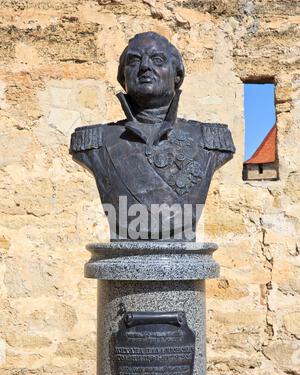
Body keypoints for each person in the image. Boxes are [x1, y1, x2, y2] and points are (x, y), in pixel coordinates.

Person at [70, 32, 235, 240]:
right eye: (134, 60)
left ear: (177, 76)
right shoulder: (94, 143)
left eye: (157, 60)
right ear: (123, 78)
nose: (145, 67)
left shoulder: (210, 140)